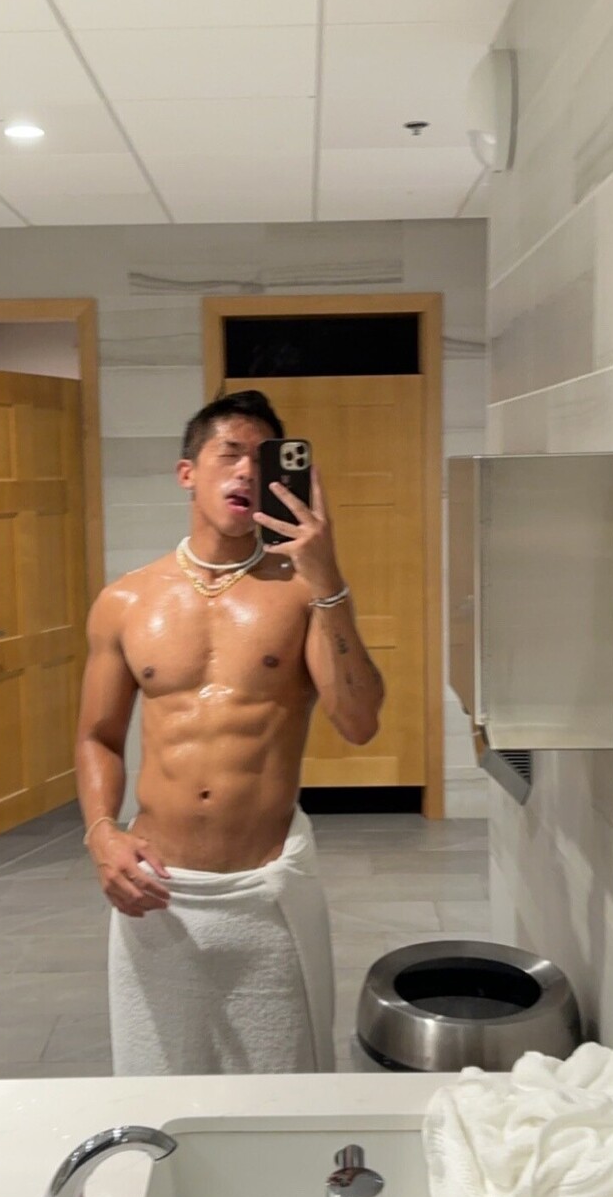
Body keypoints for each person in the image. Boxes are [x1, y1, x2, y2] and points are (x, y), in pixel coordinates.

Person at [75, 389, 385, 1075]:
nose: (246, 470)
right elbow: (98, 736)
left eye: (262, 459)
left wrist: (329, 579)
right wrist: (101, 834)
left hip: (266, 891)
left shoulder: (303, 593)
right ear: (188, 473)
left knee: (282, 1091)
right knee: (157, 1088)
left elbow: (360, 722)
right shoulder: (125, 601)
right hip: (157, 890)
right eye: (230, 453)